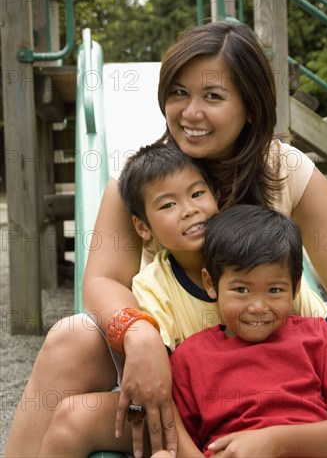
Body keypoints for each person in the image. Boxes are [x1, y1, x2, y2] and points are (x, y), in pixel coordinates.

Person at [4, 21, 327, 458]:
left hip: (277, 352)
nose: (190, 112)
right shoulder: (141, 184)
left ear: (251, 106)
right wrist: (139, 336)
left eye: (212, 96)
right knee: (71, 337)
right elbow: (102, 281)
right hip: (178, 359)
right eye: (178, 92)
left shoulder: (284, 170)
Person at [36, 141, 221, 457]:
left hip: (255, 398)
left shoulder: (250, 263)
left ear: (216, 196)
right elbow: (163, 388)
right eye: (168, 205)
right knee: (72, 418)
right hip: (187, 409)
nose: (189, 209)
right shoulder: (151, 289)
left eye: (197, 194)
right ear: (142, 227)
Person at [166, 205, 327, 457]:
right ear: (211, 283)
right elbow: (177, 440)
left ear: (295, 288)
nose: (258, 307)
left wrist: (275, 442)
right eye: (241, 290)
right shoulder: (189, 359)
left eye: (274, 291)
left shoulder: (321, 341)